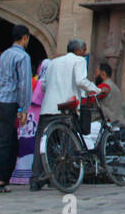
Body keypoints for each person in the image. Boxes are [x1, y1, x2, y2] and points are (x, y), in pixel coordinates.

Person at [34, 40, 99, 190]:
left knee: (42, 143)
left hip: (48, 107)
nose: (85, 53)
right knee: (67, 143)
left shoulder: (53, 63)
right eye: (84, 49)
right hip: (65, 108)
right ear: (78, 50)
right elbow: (80, 80)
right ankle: (64, 176)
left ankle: (36, 178)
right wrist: (95, 89)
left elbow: (43, 85)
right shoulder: (79, 60)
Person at [0, 25, 32, 195]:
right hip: (9, 101)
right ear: (25, 38)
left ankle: (2, 179)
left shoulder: (4, 55)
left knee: (11, 142)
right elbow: (24, 84)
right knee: (4, 143)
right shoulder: (22, 56)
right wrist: (24, 108)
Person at [12, 60, 50, 186]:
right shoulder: (42, 83)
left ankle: (20, 176)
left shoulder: (32, 82)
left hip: (27, 118)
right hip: (36, 118)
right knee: (34, 145)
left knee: (24, 145)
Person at [94, 63, 125, 127]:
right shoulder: (114, 86)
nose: (94, 76)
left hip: (110, 124)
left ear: (103, 73)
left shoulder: (104, 87)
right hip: (119, 122)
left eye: (96, 73)